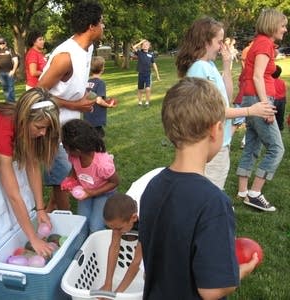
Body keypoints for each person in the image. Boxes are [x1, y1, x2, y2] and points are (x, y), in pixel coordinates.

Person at [139, 77, 259, 299]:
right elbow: (212, 290)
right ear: (216, 130)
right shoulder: (213, 203)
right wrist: (240, 271)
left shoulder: (152, 186)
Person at [0, 87, 60, 297]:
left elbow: (33, 166)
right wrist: (33, 238)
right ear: (25, 120)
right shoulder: (5, 128)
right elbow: (13, 193)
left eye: (47, 130)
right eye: (40, 128)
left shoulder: (26, 126)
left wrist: (40, 209)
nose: (43, 134)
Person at [175, 17, 275, 190]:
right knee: (210, 191)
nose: (222, 46)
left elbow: (226, 98)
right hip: (210, 143)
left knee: (210, 189)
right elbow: (214, 112)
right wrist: (251, 110)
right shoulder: (199, 68)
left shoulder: (209, 65)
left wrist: (227, 67)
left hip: (219, 141)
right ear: (206, 42)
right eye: (219, 42)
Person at [37, 1, 104, 212]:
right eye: (101, 22)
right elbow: (37, 94)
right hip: (51, 127)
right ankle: (66, 220)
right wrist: (75, 105)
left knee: (70, 170)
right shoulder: (65, 58)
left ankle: (49, 211)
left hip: (70, 124)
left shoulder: (88, 47)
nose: (103, 26)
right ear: (91, 27)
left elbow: (75, 83)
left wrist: (84, 99)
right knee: (62, 178)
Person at [236, 9, 287, 211]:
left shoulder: (260, 42)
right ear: (272, 25)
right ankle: (255, 193)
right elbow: (258, 76)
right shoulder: (265, 43)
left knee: (252, 145)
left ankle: (242, 191)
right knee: (277, 148)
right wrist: (266, 105)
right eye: (282, 25)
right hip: (258, 98)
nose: (285, 29)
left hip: (252, 97)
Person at [100, 167, 164, 294]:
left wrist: (116, 294)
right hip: (150, 186)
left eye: (118, 228)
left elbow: (136, 261)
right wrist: (108, 284)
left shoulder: (147, 218)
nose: (116, 231)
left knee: (150, 268)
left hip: (167, 189)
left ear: (133, 217)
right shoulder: (120, 210)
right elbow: (114, 246)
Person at [61, 119, 119, 233]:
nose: (65, 151)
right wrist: (70, 179)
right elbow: (75, 168)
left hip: (104, 193)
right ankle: (84, 244)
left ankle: (96, 241)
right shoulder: (75, 157)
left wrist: (91, 193)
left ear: (77, 150)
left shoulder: (102, 164)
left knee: (95, 227)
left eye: (65, 148)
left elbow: (115, 182)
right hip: (86, 191)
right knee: (82, 222)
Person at [83, 56, 116, 138]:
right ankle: (97, 150)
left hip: (88, 115)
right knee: (98, 137)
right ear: (102, 69)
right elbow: (98, 100)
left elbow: (90, 95)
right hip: (96, 116)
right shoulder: (100, 83)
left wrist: (106, 99)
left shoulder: (87, 82)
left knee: (91, 135)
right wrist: (108, 105)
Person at [132, 39, 160, 107]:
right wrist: (141, 42)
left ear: (149, 46)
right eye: (143, 45)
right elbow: (134, 47)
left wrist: (157, 75)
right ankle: (140, 102)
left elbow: (154, 65)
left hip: (148, 74)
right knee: (140, 89)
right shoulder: (139, 53)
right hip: (141, 74)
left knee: (147, 88)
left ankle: (147, 102)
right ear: (142, 46)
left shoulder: (151, 55)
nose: (145, 46)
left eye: (147, 45)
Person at [0, 36, 19, 102]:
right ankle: (8, 102)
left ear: (5, 43)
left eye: (3, 43)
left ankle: (11, 103)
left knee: (10, 88)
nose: (1, 44)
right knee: (5, 88)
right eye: (0, 43)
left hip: (9, 72)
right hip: (1, 73)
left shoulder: (10, 50)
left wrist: (13, 70)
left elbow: (16, 61)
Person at [272, 64, 286, 131]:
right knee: (280, 115)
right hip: (282, 101)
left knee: (272, 115)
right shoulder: (282, 81)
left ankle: (272, 127)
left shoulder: (270, 81)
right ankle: (280, 127)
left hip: (274, 100)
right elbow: (284, 91)